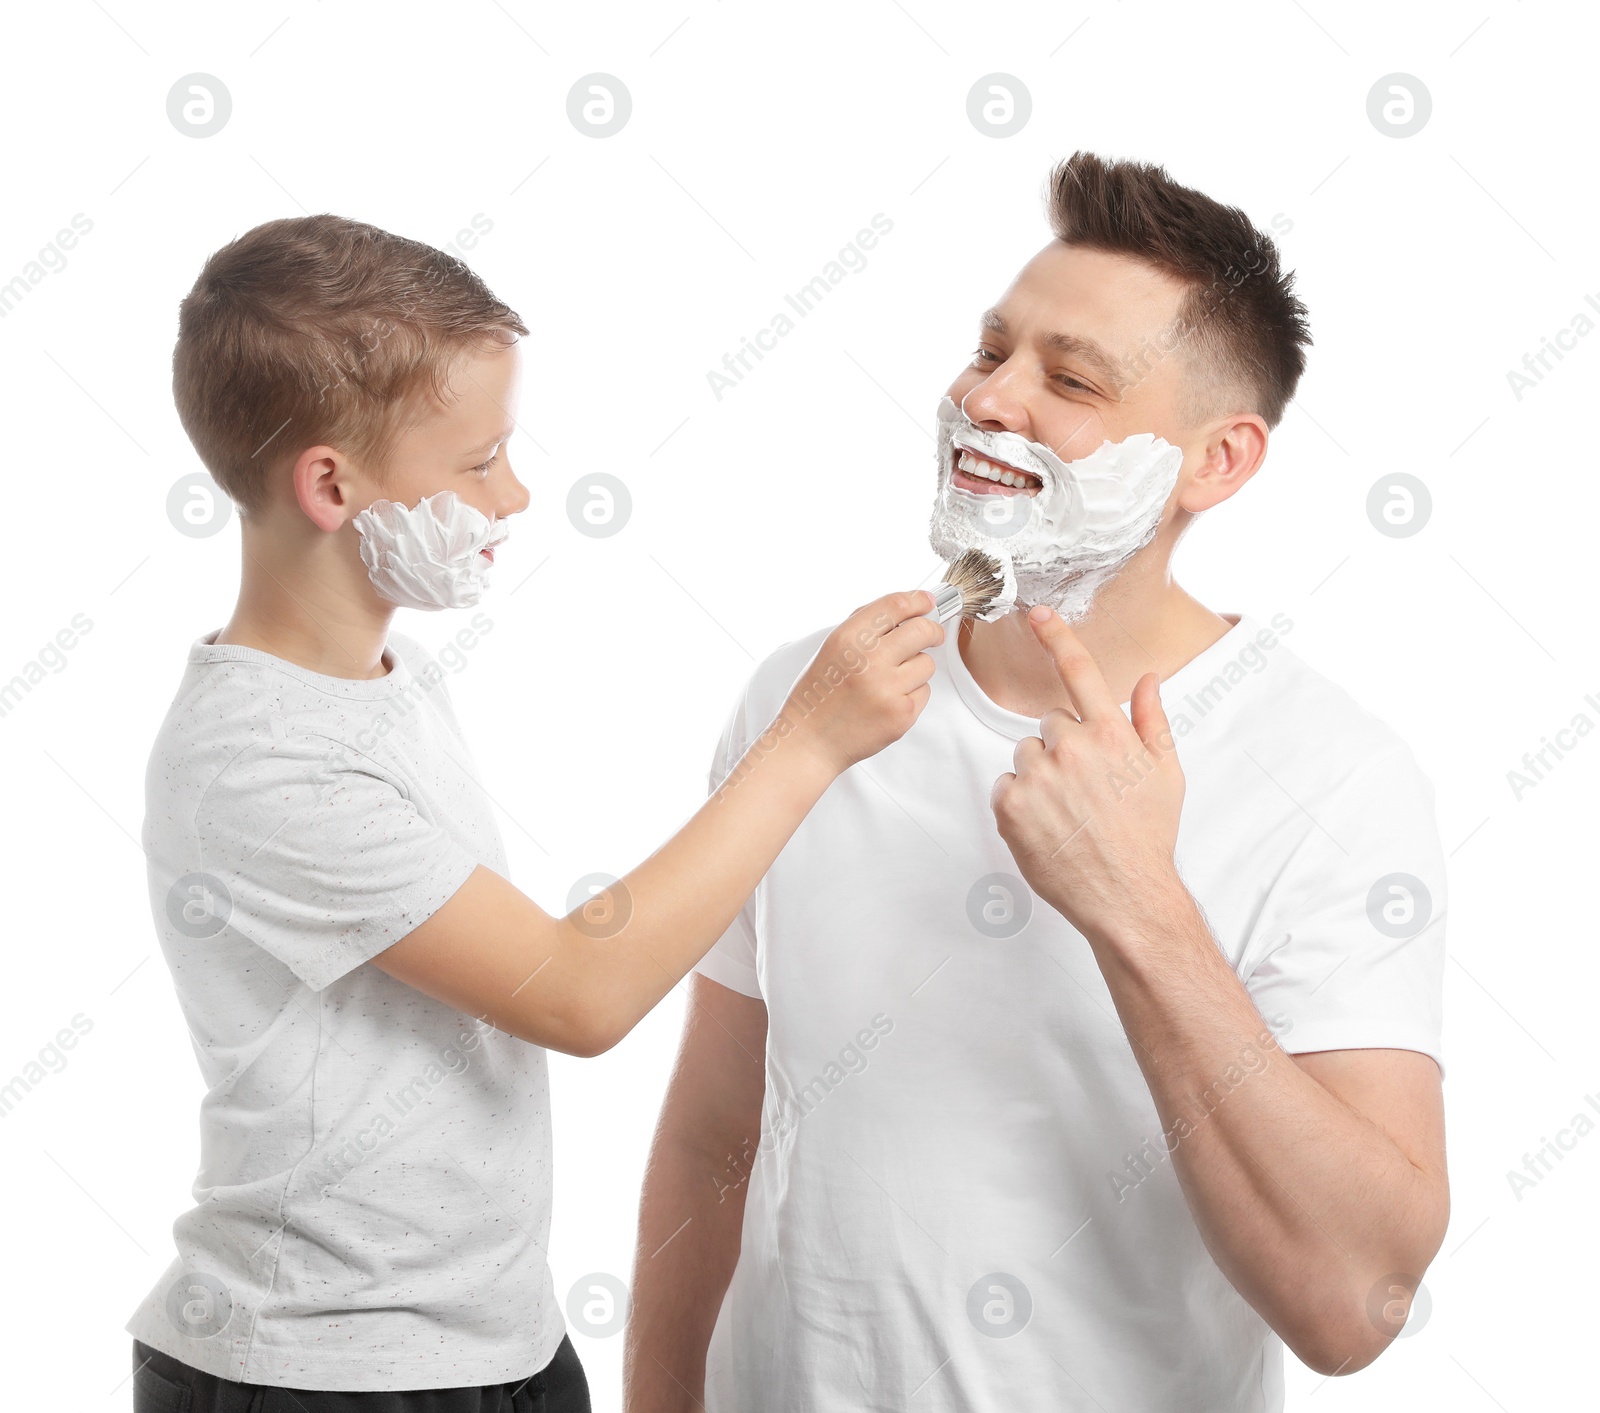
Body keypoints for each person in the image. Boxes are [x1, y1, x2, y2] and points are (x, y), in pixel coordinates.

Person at [626, 151, 1449, 1413]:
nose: (989, 398)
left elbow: (1356, 1310)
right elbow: (711, 1134)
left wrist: (1136, 902)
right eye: (990, 349)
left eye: (1070, 379)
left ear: (1215, 464)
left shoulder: (1330, 776)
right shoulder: (814, 700)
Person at [125, 214, 943, 1411]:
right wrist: (806, 742)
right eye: (474, 464)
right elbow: (576, 993)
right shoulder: (261, 761)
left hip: (493, 1344)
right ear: (330, 484)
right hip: (324, 1370)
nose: (512, 494)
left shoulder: (381, 680)